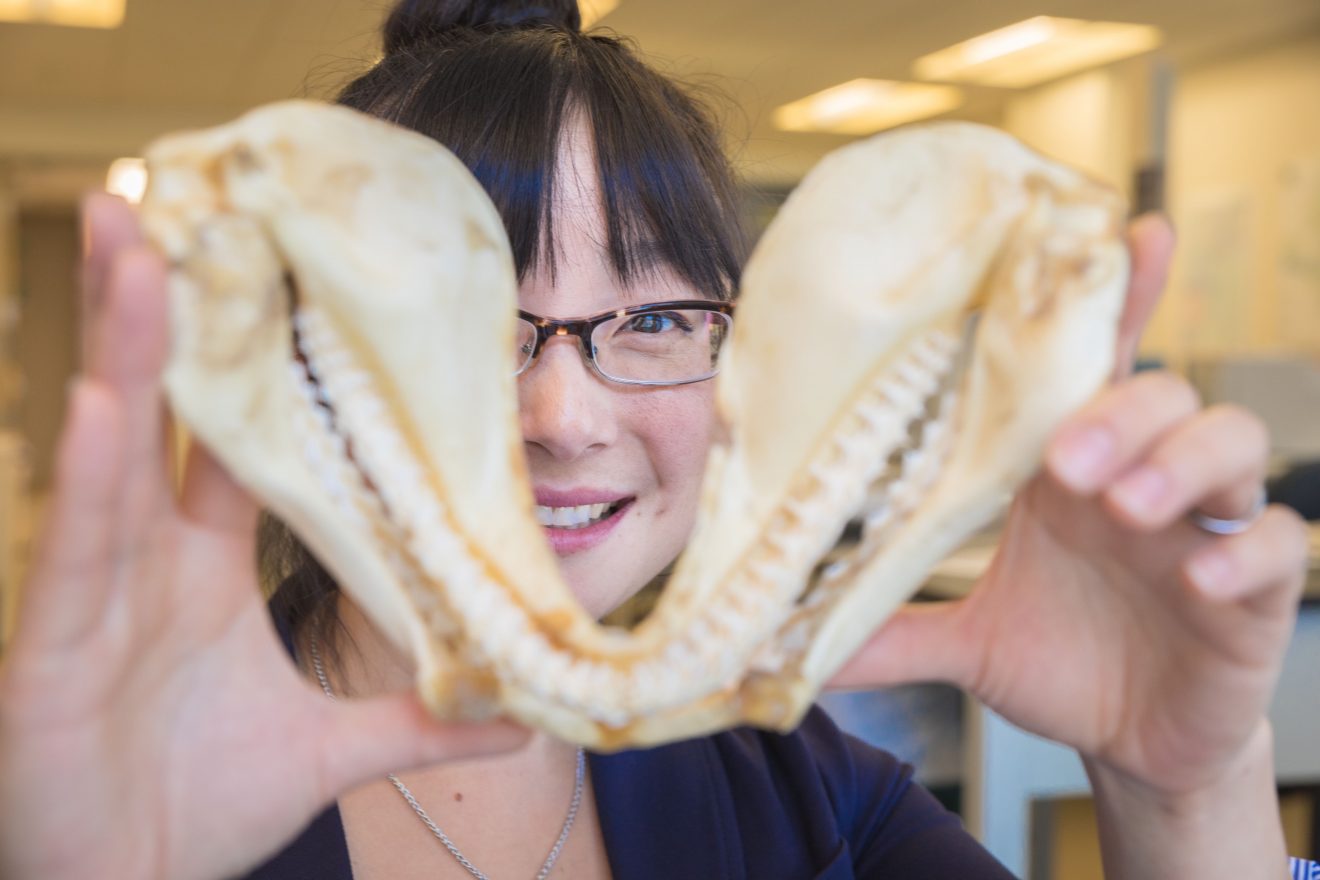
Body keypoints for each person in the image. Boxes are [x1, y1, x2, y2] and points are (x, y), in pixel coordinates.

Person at [0, 1, 1311, 878]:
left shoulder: (812, 811)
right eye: (465, 324)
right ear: (309, 367)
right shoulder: (122, 785)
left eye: (657, 316)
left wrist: (1184, 791)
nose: (564, 419)